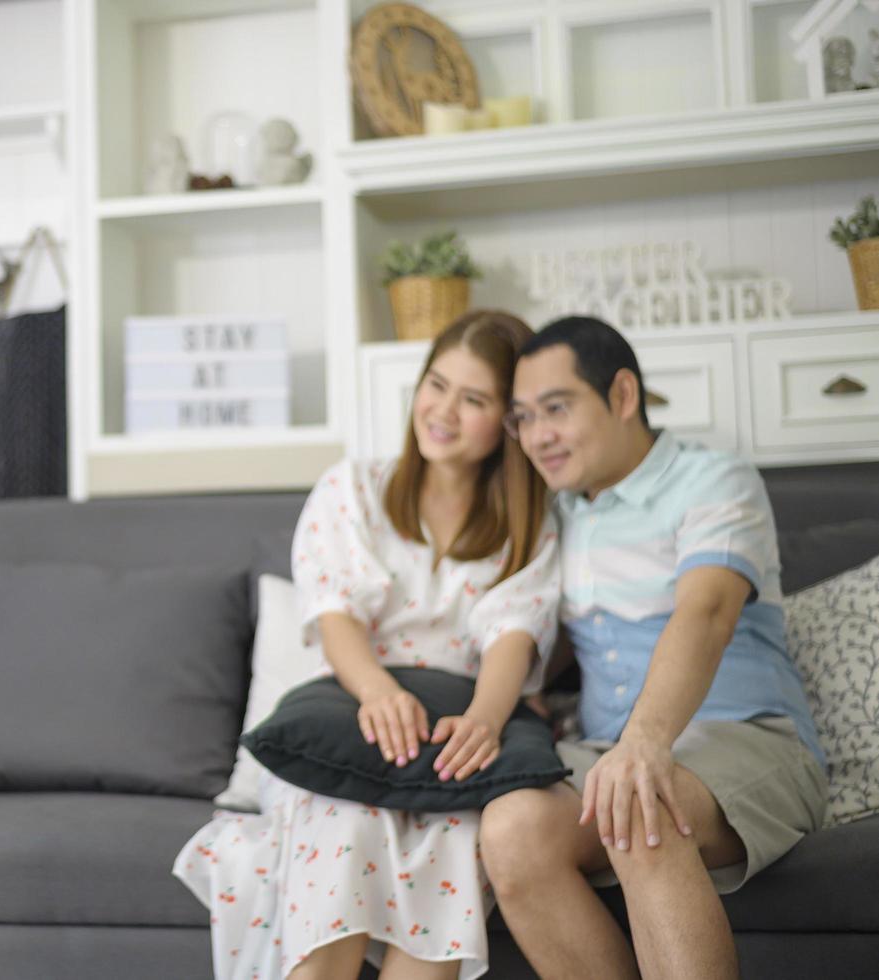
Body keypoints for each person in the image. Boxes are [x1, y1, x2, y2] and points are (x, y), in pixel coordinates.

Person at [174, 311, 560, 980]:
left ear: (506, 420)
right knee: (343, 826)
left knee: (452, 838)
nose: (441, 411)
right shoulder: (354, 487)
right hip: (353, 713)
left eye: (472, 400)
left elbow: (512, 635)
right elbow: (335, 615)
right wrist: (378, 690)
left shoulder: (528, 523)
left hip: (453, 734)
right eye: (434, 385)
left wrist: (483, 722)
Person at [482, 315, 826, 980]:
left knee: (640, 804)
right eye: (522, 418)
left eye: (556, 408)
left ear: (621, 396)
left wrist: (643, 745)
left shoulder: (715, 480)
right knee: (509, 829)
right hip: (607, 755)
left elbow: (706, 612)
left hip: (749, 739)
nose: (537, 436)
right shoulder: (557, 515)